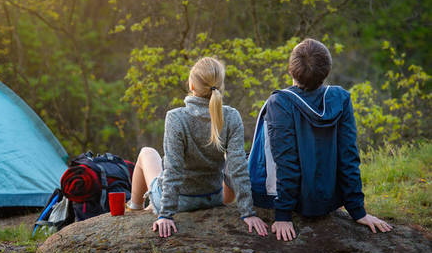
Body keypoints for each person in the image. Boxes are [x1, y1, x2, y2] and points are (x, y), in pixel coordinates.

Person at [248, 38, 392, 241]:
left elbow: (285, 162)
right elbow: (348, 156)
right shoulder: (341, 98)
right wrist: (357, 211)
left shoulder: (279, 103)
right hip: (328, 200)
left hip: (293, 202)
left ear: (291, 70)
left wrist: (283, 215)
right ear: (326, 72)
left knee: (232, 161)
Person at [128, 57, 269, 238]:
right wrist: (247, 212)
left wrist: (165, 215)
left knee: (147, 153)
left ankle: (135, 207)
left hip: (181, 202)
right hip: (213, 197)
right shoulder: (231, 116)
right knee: (230, 167)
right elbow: (238, 168)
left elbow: (173, 170)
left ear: (192, 85)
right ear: (220, 86)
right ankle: (146, 206)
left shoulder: (176, 118)